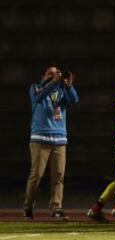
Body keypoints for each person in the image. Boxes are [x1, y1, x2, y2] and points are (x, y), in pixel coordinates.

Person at [23, 66, 79, 220]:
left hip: (59, 140)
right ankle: (28, 206)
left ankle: (56, 208)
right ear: (43, 75)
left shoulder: (62, 90)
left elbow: (74, 100)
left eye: (57, 74)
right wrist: (53, 82)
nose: (55, 76)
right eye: (51, 73)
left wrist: (69, 86)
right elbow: (39, 97)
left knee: (58, 176)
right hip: (40, 139)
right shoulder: (35, 88)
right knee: (36, 175)